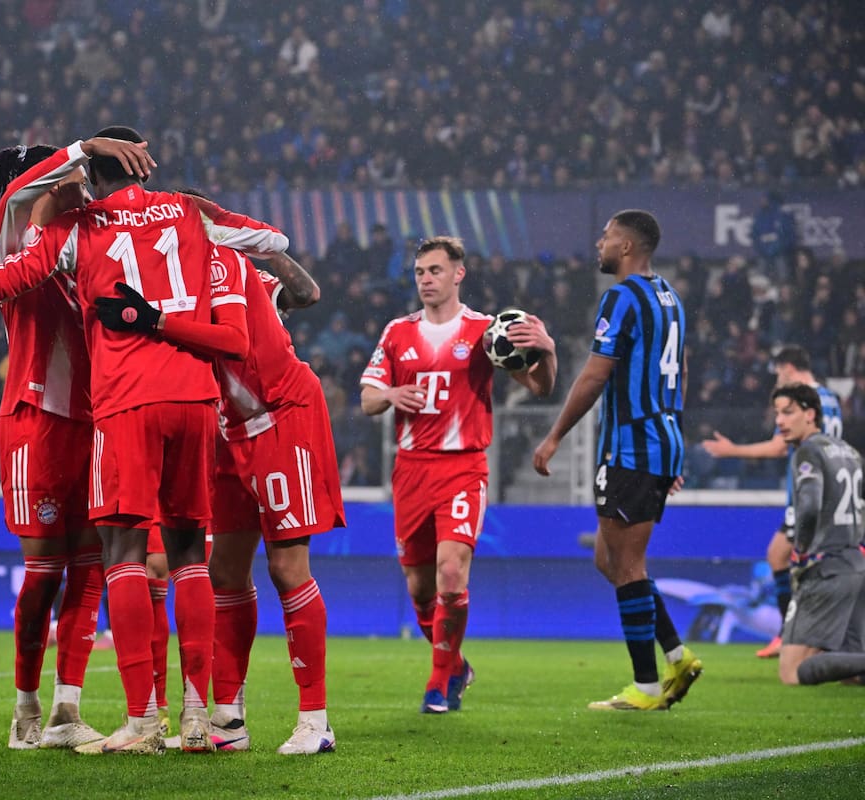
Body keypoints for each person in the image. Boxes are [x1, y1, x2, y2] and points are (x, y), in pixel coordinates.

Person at [0, 126, 289, 755]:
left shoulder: (81, 230)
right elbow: (270, 241)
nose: (66, 185)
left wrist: (85, 158)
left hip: (113, 410)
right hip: (101, 407)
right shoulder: (141, 219)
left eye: (74, 176)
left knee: (110, 561)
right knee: (108, 565)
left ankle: (111, 716)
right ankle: (66, 709)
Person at [0, 134, 154, 751]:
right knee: (43, 574)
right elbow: (21, 193)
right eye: (70, 180)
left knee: (89, 569)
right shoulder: (13, 234)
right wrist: (80, 147)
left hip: (94, 420)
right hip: (36, 415)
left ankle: (69, 710)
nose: (80, 186)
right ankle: (25, 710)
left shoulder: (82, 238)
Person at [115, 225, 342, 753]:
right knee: (224, 573)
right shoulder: (167, 283)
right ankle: (228, 721)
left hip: (281, 416)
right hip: (224, 432)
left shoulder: (223, 266)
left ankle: (315, 720)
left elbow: (304, 295)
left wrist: (260, 242)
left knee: (287, 568)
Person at [360, 235, 557, 713]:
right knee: (420, 588)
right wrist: (389, 396)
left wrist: (548, 350)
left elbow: (539, 387)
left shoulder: (487, 332)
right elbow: (366, 400)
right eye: (420, 272)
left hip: (464, 467)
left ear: (457, 274)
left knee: (452, 573)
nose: (427, 280)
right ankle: (456, 665)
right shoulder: (396, 332)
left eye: (435, 271)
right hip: (410, 471)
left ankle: (437, 683)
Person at [532, 209, 701, 711]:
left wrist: (555, 435)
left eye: (606, 238)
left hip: (631, 445)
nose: (600, 245)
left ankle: (647, 686)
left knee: (625, 563)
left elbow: (594, 375)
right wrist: (672, 437)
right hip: (661, 438)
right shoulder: (670, 297)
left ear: (627, 247)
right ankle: (676, 653)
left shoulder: (623, 297)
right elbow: (682, 370)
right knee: (609, 558)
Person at [700, 344, 844, 657]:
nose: (777, 380)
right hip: (833, 491)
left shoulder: (803, 398)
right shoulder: (831, 397)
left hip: (809, 493)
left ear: (788, 368)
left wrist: (733, 450)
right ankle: (802, 635)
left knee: (790, 560)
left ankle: (798, 636)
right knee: (789, 558)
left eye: (778, 373)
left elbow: (780, 447)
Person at [769, 383, 865, 686]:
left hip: (827, 568)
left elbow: (808, 507)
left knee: (792, 672)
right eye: (776, 414)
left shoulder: (808, 451)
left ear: (810, 414)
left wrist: (800, 550)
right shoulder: (850, 451)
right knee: (851, 676)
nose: (779, 421)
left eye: (788, 412)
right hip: (855, 566)